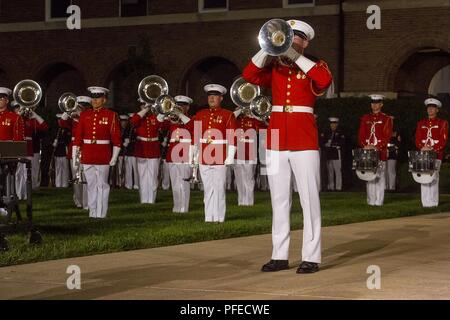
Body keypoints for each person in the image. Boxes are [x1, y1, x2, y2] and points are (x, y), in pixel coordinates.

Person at [243, 19, 332, 273]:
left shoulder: (315, 65)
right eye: (287, 36)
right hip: (276, 139)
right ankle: (279, 255)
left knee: (309, 199)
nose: (290, 41)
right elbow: (249, 75)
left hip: (304, 139)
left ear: (305, 42)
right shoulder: (274, 66)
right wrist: (269, 47)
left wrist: (294, 54)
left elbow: (323, 80)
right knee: (279, 200)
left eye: (296, 37)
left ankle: (311, 256)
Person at [190, 84, 237, 223]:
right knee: (208, 188)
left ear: (221, 98)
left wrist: (230, 156)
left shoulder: (228, 115)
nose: (211, 98)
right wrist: (193, 156)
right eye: (209, 96)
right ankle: (208, 217)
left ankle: (219, 217)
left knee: (219, 188)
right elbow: (196, 137)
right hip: (204, 156)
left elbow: (232, 137)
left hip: (220, 156)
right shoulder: (200, 114)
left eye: (215, 96)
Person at [73, 87, 121, 218]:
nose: (94, 100)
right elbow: (78, 138)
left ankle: (101, 213)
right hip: (88, 154)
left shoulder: (111, 115)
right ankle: (92, 212)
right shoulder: (85, 115)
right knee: (90, 185)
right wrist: (75, 158)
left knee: (103, 185)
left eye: (97, 98)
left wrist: (114, 157)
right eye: (93, 98)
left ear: (104, 100)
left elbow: (116, 139)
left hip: (103, 154)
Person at [129, 99, 169, 204]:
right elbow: (133, 121)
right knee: (142, 176)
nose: (145, 106)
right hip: (141, 149)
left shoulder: (155, 117)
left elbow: (164, 126)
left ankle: (151, 200)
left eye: (147, 104)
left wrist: (160, 112)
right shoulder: (138, 117)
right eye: (143, 104)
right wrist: (146, 109)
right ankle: (143, 199)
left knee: (153, 176)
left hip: (153, 149)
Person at [358, 94, 393, 206]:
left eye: (377, 103)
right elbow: (361, 135)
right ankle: (371, 200)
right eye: (373, 103)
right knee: (369, 176)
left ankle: (379, 201)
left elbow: (387, 136)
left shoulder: (386, 119)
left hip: (380, 152)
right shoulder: (365, 118)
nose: (374, 105)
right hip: (367, 151)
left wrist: (376, 147)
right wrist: (366, 145)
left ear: (381, 104)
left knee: (380, 177)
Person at [415, 98, 448, 207]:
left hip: (436, 154)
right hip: (423, 154)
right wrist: (422, 147)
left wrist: (433, 149)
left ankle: (433, 202)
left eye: (433, 108)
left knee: (433, 177)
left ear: (437, 110)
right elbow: (418, 139)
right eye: (429, 108)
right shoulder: (421, 123)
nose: (430, 109)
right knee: (424, 177)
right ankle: (425, 203)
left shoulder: (442, 123)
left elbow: (443, 140)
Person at [59, 95, 90, 209]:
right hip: (75, 149)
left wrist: (81, 115)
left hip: (87, 147)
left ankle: (87, 202)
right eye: (78, 105)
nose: (79, 108)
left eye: (82, 106)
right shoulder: (72, 119)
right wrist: (68, 109)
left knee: (86, 175)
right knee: (76, 175)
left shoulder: (88, 117)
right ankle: (78, 201)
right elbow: (62, 122)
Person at [14, 102, 48, 199]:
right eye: (18, 108)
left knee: (26, 172)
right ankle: (17, 193)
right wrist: (18, 115)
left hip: (28, 147)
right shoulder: (15, 118)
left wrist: (35, 115)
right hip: (17, 146)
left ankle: (24, 195)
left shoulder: (31, 120)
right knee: (18, 172)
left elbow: (44, 126)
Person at [166, 95, 193, 213]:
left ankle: (184, 208)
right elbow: (158, 122)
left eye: (182, 105)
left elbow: (193, 127)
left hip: (185, 155)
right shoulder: (171, 120)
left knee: (184, 183)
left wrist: (181, 115)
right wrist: (164, 110)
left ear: (187, 107)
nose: (179, 107)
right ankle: (176, 207)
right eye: (177, 105)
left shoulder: (191, 119)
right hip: (172, 155)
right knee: (175, 184)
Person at [0, 88, 25, 217]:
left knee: (6, 181)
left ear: (6, 100)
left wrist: (15, 157)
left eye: (1, 98)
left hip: (7, 157)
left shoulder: (14, 117)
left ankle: (5, 205)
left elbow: (18, 140)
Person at [233, 107, 263, 206]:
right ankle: (241, 201)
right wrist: (240, 109)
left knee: (249, 178)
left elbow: (264, 124)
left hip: (250, 153)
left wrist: (254, 114)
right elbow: (230, 116)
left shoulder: (253, 120)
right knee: (239, 179)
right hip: (237, 154)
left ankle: (249, 201)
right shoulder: (235, 120)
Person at [322, 117, 345, 191]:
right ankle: (331, 187)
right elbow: (323, 142)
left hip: (336, 153)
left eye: (334, 124)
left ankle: (338, 187)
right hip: (329, 153)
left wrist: (332, 144)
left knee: (337, 170)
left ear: (337, 124)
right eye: (331, 124)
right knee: (330, 171)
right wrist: (326, 144)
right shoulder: (327, 133)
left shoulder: (340, 133)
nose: (333, 125)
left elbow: (342, 142)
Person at [52, 113, 71, 188]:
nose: (60, 121)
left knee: (65, 168)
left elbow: (68, 140)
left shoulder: (67, 129)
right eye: (59, 120)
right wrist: (53, 142)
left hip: (64, 151)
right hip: (58, 151)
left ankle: (65, 184)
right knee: (58, 168)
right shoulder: (56, 130)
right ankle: (58, 183)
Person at [386, 119, 401, 191]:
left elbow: (398, 144)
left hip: (392, 154)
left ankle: (392, 187)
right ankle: (385, 187)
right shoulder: (383, 131)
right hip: (383, 154)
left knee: (391, 171)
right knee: (384, 171)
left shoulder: (396, 133)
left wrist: (391, 149)